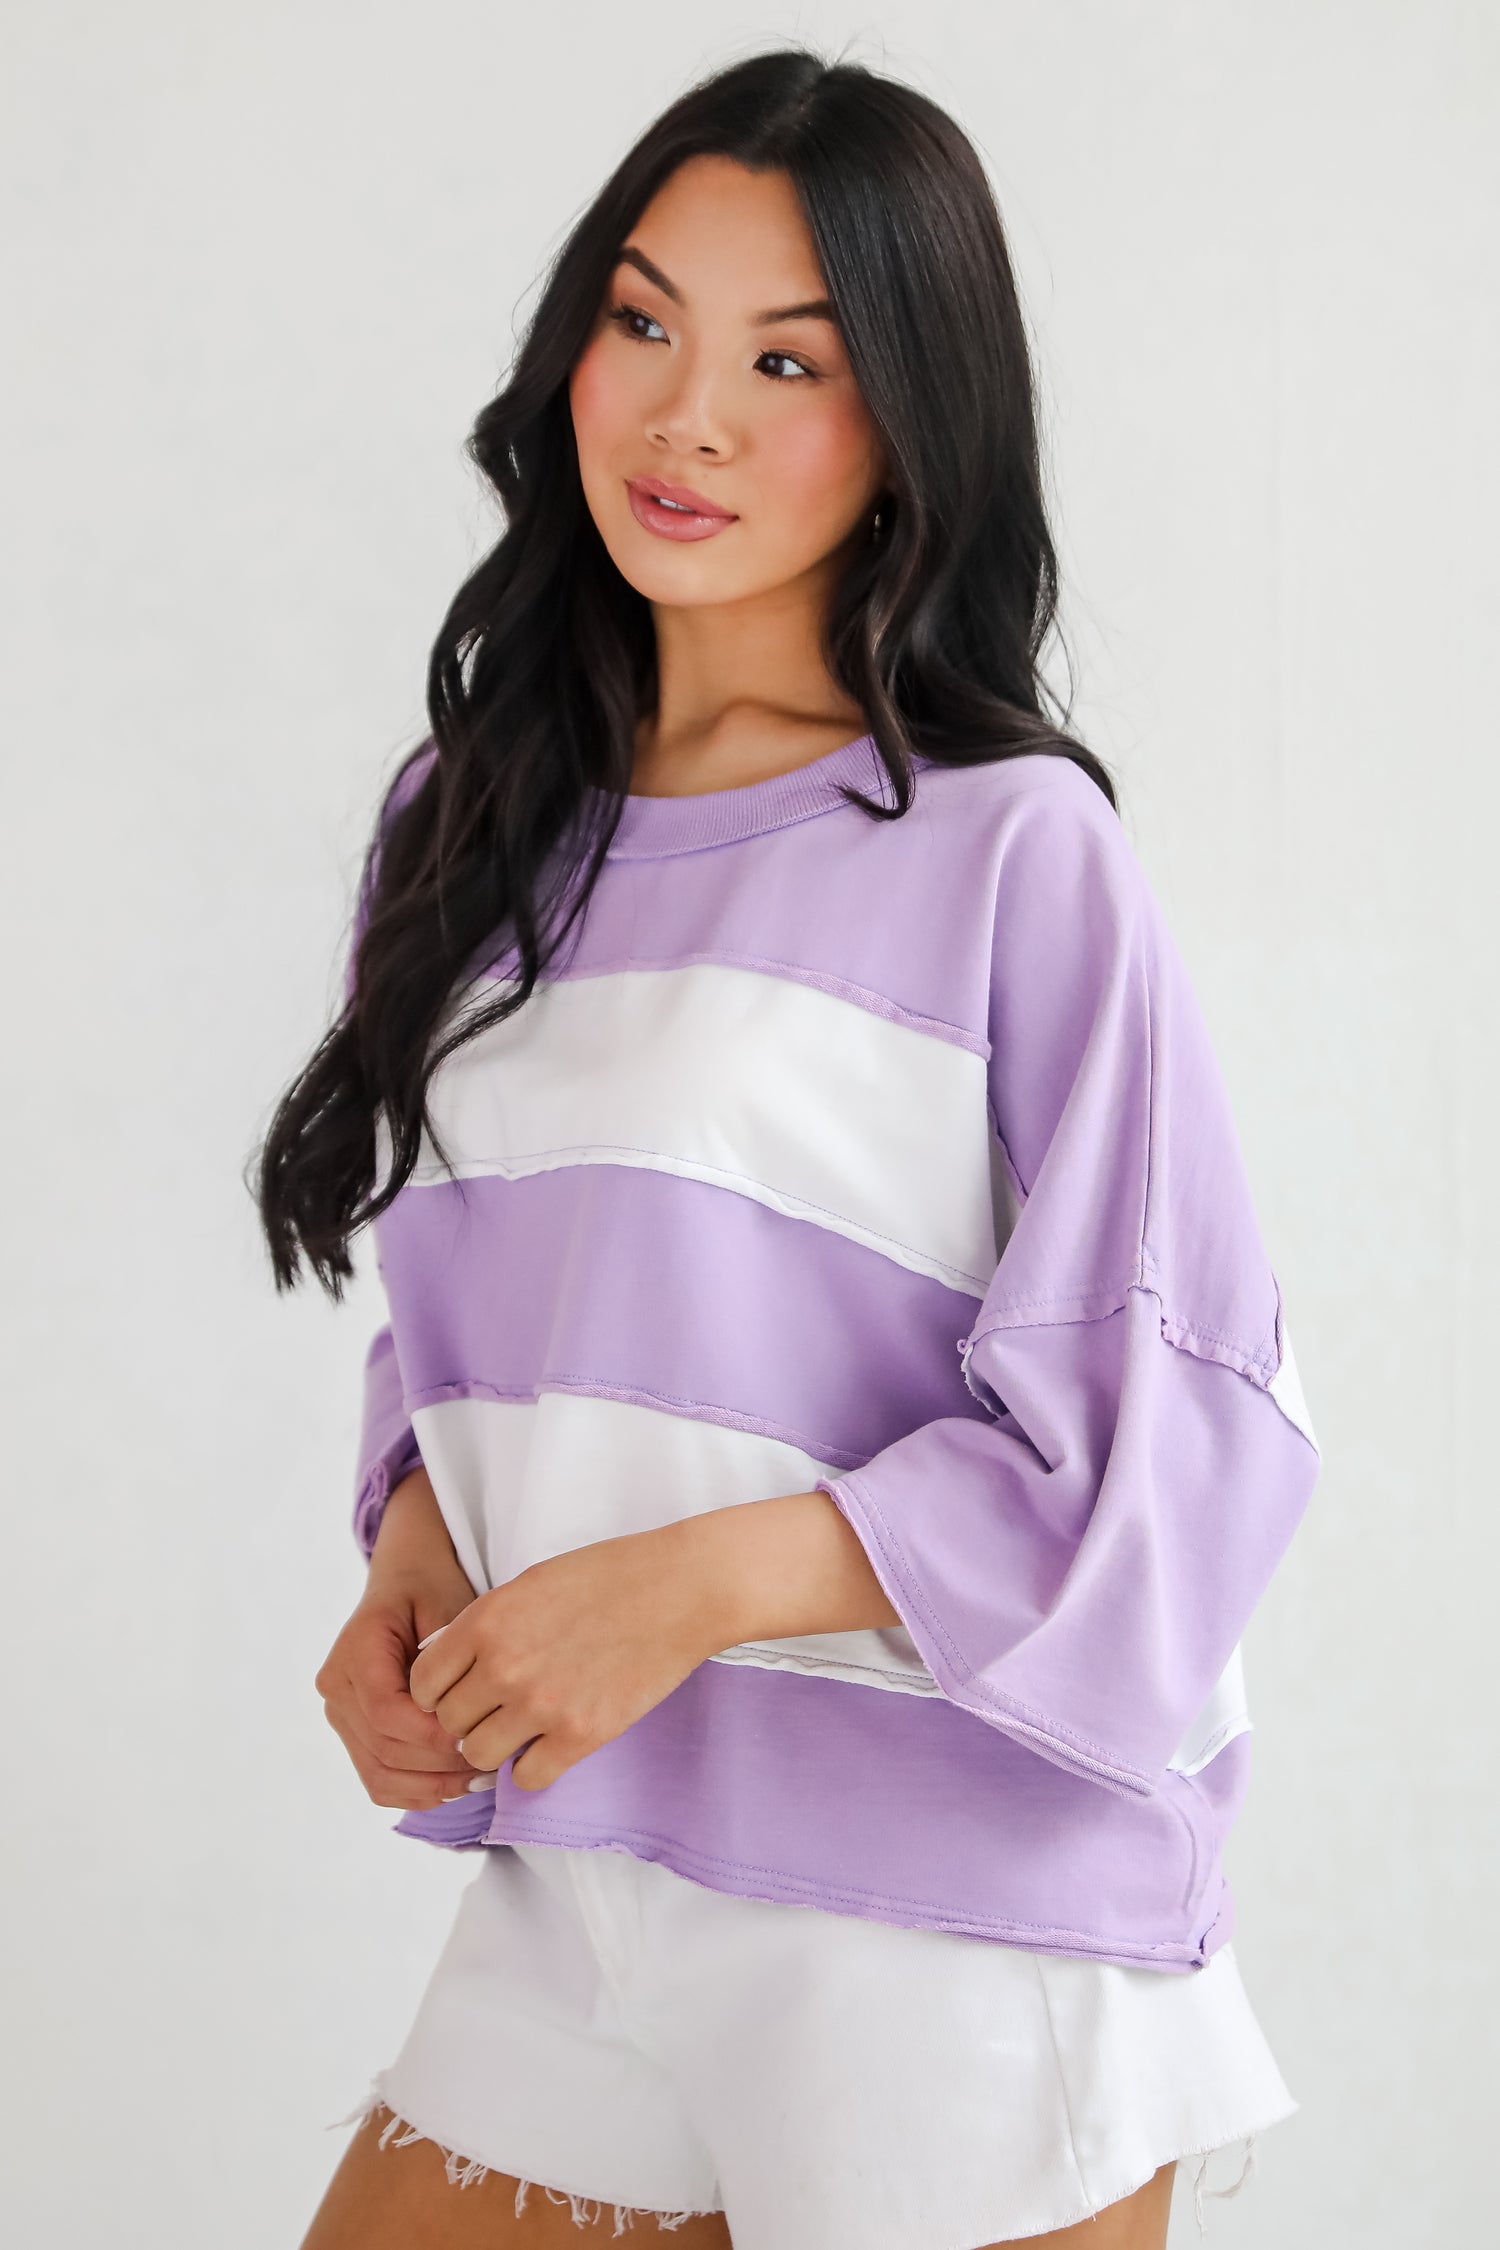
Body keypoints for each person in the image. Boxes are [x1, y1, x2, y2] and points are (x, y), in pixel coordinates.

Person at [255, 46, 1321, 2250]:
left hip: (950, 1905)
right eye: (642, 322)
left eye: (787, 360)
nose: (687, 418)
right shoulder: (464, 827)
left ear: (912, 417)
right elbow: (517, 1290)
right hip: (591, 1855)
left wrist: (689, 1586)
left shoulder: (1007, 849)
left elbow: (1177, 1430)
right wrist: (413, 1551)